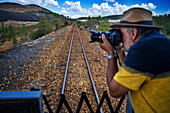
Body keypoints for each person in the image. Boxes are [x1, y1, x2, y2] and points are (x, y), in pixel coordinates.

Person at [100, 7, 170, 113]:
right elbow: (131, 72)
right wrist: (119, 51)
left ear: (133, 33)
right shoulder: (164, 42)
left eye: (121, 33)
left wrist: (111, 53)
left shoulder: (142, 49)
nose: (121, 39)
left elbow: (114, 91)